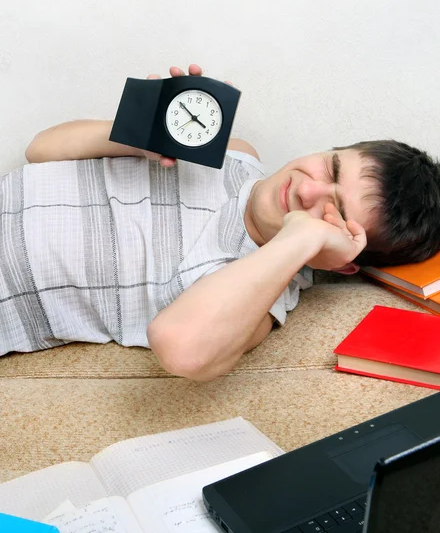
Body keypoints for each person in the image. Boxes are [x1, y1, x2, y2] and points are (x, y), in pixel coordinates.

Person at [2, 64, 440, 381]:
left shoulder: (258, 299)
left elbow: (182, 348)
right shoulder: (237, 153)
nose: (308, 191)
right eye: (330, 169)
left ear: (344, 259)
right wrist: (140, 133)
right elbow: (41, 148)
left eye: (335, 213)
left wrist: (298, 240)